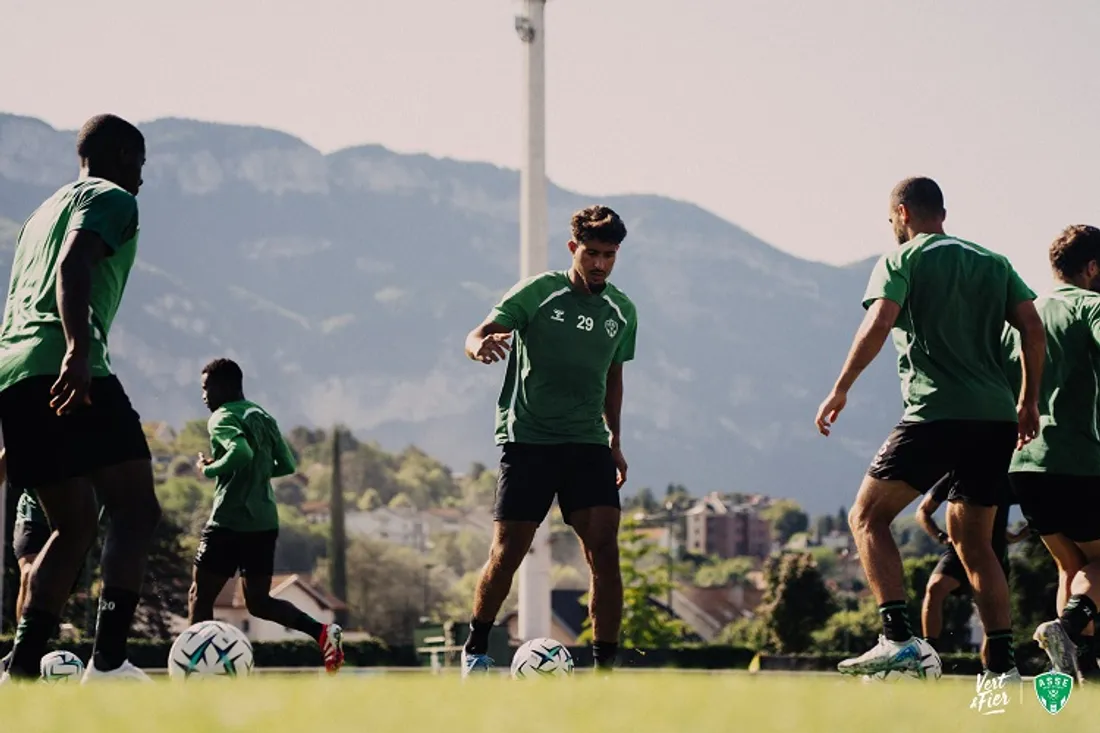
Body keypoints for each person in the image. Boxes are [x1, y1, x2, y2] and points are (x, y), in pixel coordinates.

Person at [815, 176, 1045, 683]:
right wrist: (1027, 400)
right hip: (996, 419)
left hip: (937, 413)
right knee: (976, 545)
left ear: (901, 213)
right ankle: (1002, 668)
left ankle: (897, 640)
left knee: (866, 517)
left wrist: (841, 387)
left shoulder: (903, 258)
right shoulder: (994, 261)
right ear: (941, 210)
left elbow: (879, 322)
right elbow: (1033, 325)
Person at [0, 114, 163, 684]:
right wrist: (76, 351)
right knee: (136, 509)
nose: (141, 180)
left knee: (72, 526)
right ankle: (110, 662)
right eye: (139, 165)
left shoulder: (38, 214)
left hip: (13, 373)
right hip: (64, 363)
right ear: (121, 155)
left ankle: (18, 670)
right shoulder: (112, 197)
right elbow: (75, 263)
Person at [460, 205, 637, 677]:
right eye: (592, 253)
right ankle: (475, 649)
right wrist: (479, 345)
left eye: (610, 255)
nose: (600, 263)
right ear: (573, 248)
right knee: (509, 551)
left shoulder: (623, 311)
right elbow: (479, 332)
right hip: (529, 442)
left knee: (605, 551)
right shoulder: (538, 293)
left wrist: (615, 440)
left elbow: (612, 376)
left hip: (588, 446)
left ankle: (604, 671)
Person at [189, 358, 344, 674]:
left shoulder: (221, 418)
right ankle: (322, 633)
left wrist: (210, 469)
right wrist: (257, 473)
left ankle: (197, 667)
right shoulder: (262, 415)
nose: (204, 396)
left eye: (206, 388)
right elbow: (286, 465)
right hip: (264, 523)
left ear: (225, 386)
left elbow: (241, 451)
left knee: (200, 596)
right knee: (258, 603)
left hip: (229, 520)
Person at [1004, 225, 1100, 682]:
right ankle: (1066, 630)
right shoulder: (1091, 306)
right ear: (1093, 268)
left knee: (1071, 566)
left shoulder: (1024, 316)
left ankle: (1071, 675)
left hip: (1026, 464)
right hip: (1079, 460)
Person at [915, 473, 1028, 653]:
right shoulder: (956, 473)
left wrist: (1018, 536)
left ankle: (993, 668)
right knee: (935, 587)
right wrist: (941, 536)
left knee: (992, 615)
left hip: (994, 552)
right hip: (959, 548)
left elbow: (1042, 505)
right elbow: (923, 511)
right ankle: (929, 652)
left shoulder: (1009, 476)